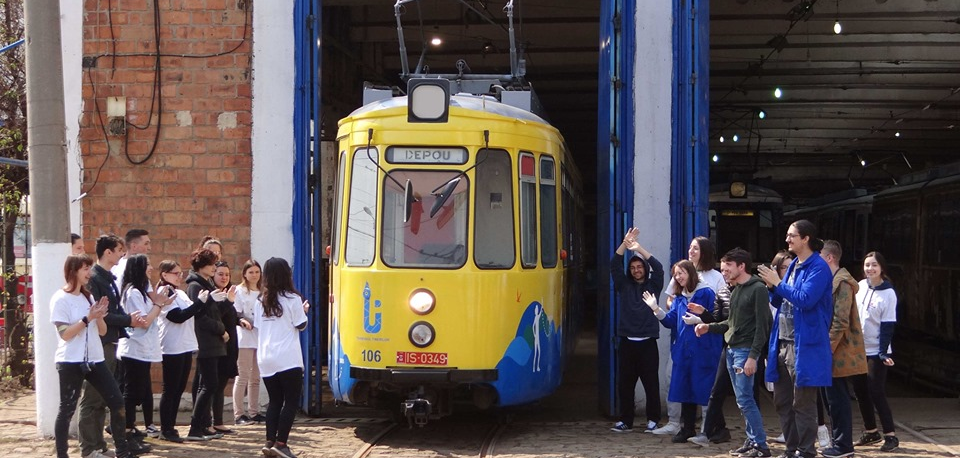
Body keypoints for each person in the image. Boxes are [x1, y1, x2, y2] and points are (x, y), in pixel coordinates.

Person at [757, 220, 833, 458]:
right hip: (782, 342)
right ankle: (791, 449)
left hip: (804, 345)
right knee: (782, 401)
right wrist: (772, 287)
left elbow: (805, 299)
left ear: (806, 238)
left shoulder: (818, 268)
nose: (787, 240)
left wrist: (778, 283)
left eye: (792, 236)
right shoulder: (794, 266)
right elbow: (779, 300)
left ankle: (806, 451)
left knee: (803, 403)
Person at [51, 254, 134, 458]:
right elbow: (65, 334)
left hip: (95, 359)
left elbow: (102, 331)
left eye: (89, 268)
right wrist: (88, 318)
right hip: (70, 360)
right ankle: (63, 454)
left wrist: (100, 315)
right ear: (73, 271)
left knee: (116, 401)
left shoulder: (88, 296)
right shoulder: (60, 298)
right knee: (67, 409)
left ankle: (121, 449)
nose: (89, 273)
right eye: (85, 269)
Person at [695, 248, 773, 456]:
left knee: (746, 400)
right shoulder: (736, 289)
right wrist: (708, 327)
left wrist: (753, 356)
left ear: (741, 266)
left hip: (745, 351)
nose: (724, 271)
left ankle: (761, 445)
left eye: (728, 267)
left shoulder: (757, 289)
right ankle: (751, 440)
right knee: (742, 400)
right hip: (732, 350)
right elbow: (731, 322)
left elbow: (762, 325)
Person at [78, 236, 151, 458]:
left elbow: (115, 309)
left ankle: (99, 445)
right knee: (92, 398)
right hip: (98, 343)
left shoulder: (108, 278)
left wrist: (128, 320)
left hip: (110, 342)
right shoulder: (96, 279)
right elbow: (103, 313)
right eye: (119, 250)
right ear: (107, 252)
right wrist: (128, 320)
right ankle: (89, 448)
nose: (122, 254)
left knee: (103, 397)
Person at [644, 260, 721, 444]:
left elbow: (716, 318)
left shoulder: (706, 293)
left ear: (691, 273)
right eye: (676, 274)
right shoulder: (679, 298)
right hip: (684, 350)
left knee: (703, 389)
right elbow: (671, 321)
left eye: (681, 273)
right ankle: (687, 428)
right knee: (685, 388)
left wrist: (700, 318)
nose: (678, 277)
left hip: (703, 349)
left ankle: (711, 429)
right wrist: (655, 308)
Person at [608, 228, 665, 433]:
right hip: (627, 342)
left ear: (644, 269)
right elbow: (614, 264)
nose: (636, 270)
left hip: (648, 342)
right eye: (632, 267)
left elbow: (659, 268)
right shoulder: (623, 285)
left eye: (639, 266)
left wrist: (638, 248)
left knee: (651, 383)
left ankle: (653, 420)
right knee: (625, 385)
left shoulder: (654, 284)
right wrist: (625, 243)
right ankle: (626, 421)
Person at [254, 257, 309, 458]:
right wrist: (304, 311)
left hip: (266, 356)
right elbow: (300, 325)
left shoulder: (260, 301)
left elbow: (259, 326)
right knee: (291, 401)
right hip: (287, 357)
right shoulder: (292, 299)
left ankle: (269, 441)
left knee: (275, 400)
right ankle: (282, 442)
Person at [819, 240, 868, 458]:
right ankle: (838, 442)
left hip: (838, 351)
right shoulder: (831, 281)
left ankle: (843, 444)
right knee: (831, 398)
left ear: (830, 258)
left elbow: (840, 321)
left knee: (838, 398)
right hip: (831, 349)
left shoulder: (843, 284)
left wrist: (826, 349)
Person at [117, 255, 172, 443]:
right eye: (147, 265)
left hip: (143, 347)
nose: (151, 268)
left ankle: (129, 426)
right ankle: (125, 428)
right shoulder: (132, 292)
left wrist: (160, 303)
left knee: (139, 390)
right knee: (131, 392)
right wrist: (158, 305)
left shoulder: (141, 292)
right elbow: (144, 321)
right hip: (134, 347)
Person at [852, 251, 899, 452]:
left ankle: (891, 435)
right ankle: (871, 431)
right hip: (857, 349)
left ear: (882, 268)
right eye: (867, 265)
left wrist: (883, 353)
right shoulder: (860, 286)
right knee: (860, 391)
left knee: (876, 391)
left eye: (874, 265)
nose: (869, 269)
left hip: (876, 350)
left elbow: (888, 325)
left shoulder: (888, 293)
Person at [156, 260, 206, 442]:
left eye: (180, 273)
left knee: (178, 389)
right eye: (175, 273)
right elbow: (177, 317)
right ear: (164, 275)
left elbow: (192, 313)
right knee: (170, 389)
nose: (180, 276)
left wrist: (205, 303)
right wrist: (199, 303)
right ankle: (166, 428)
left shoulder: (180, 293)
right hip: (172, 345)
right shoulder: (165, 292)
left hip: (185, 344)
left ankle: (171, 427)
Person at [184, 248, 230, 441]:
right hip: (205, 341)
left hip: (213, 340)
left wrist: (227, 302)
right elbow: (200, 317)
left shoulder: (206, 284)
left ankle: (202, 425)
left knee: (209, 384)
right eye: (211, 264)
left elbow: (215, 311)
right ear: (202, 265)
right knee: (208, 384)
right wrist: (220, 329)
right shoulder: (195, 285)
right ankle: (196, 426)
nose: (214, 268)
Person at [233, 260, 264, 425]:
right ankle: (239, 414)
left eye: (257, 272)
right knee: (243, 375)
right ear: (245, 274)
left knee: (256, 377)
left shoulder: (263, 291)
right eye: (251, 272)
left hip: (259, 336)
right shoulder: (240, 291)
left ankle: (254, 411)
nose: (254, 275)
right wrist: (243, 321)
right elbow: (236, 313)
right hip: (245, 336)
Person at [211, 260, 239, 434]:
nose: (224, 278)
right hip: (216, 345)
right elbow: (215, 316)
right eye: (220, 274)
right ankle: (214, 421)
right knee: (214, 385)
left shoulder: (228, 293)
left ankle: (218, 420)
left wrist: (239, 320)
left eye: (227, 275)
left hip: (230, 345)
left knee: (221, 384)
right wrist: (227, 301)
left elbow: (230, 317)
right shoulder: (214, 295)